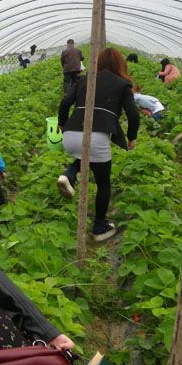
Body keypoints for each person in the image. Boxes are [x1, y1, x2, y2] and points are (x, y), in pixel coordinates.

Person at [56, 48, 139, 241]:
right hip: (96, 137)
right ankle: (99, 227)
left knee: (84, 156)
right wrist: (131, 137)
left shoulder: (85, 79)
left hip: (70, 135)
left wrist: (61, 122)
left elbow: (65, 102)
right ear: (121, 64)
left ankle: (69, 173)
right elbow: (133, 115)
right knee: (103, 183)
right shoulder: (123, 83)